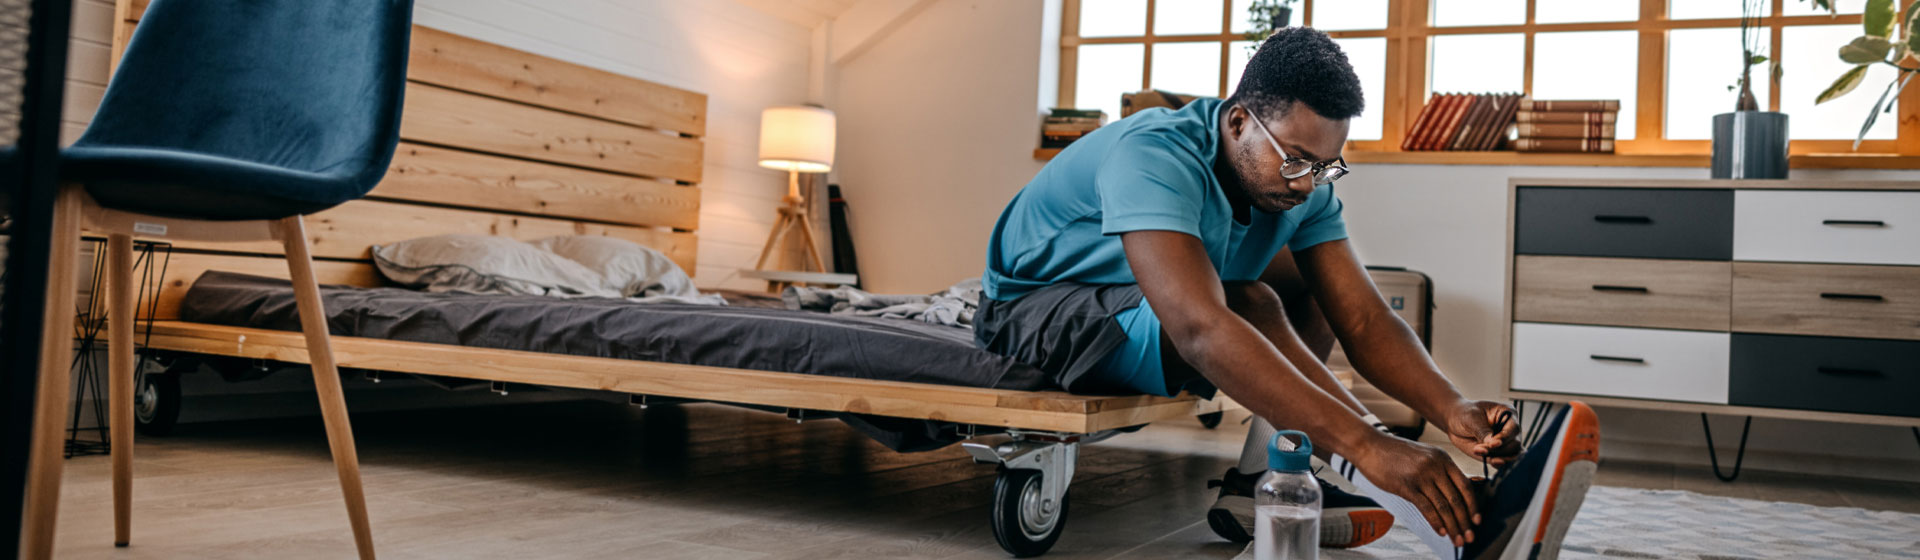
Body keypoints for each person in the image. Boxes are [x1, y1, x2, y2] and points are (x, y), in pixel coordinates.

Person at [973, 27, 1600, 558]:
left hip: (1142, 306)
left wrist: (1450, 407)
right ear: (1240, 120)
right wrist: (1367, 443)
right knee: (1249, 303)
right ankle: (1445, 527)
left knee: (1310, 280)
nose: (1309, 185)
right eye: (1297, 160)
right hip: (1035, 311)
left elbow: (1364, 320)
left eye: (1328, 166)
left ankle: (1261, 475)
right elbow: (1200, 328)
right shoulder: (1154, 154)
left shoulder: (1304, 184)